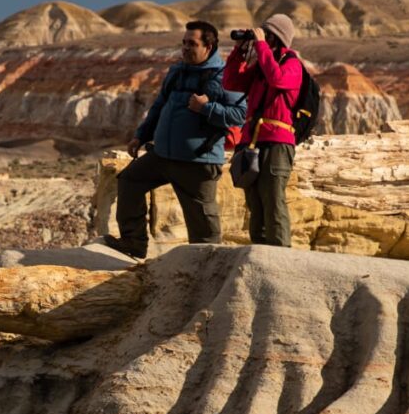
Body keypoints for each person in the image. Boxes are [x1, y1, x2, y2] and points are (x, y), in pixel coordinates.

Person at [103, 20, 247, 259]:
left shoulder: (225, 76)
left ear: (208, 47)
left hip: (197, 162)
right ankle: (133, 243)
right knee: (129, 181)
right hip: (163, 155)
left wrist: (206, 108)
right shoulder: (177, 71)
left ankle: (209, 265)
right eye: (184, 43)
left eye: (192, 44)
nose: (185, 48)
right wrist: (141, 136)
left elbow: (240, 115)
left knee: (203, 225)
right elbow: (160, 106)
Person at [223, 14, 301, 247]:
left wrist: (261, 46)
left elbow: (277, 79)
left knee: (273, 198)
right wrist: (239, 51)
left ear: (277, 37)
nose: (262, 37)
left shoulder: (292, 64)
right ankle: (259, 251)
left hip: (277, 142)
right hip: (252, 141)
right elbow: (231, 82)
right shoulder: (261, 67)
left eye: (267, 34)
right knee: (254, 201)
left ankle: (280, 253)